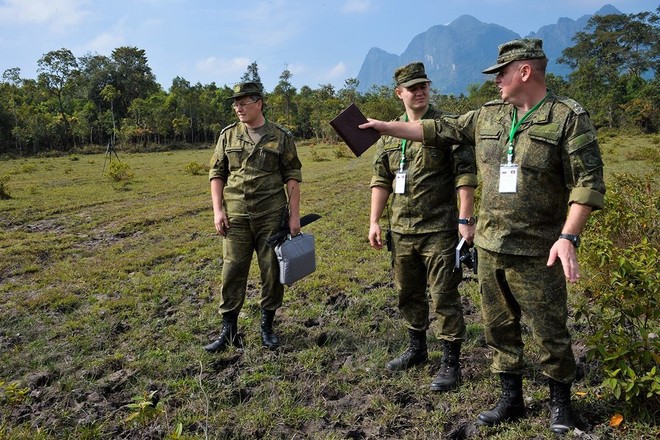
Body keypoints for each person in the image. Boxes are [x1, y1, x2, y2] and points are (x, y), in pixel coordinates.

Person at [360, 39, 605, 435]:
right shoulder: (488, 117)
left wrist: (568, 237)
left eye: (501, 74)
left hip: (538, 250)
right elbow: (440, 128)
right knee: (498, 328)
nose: (495, 82)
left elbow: (589, 183)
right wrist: (385, 127)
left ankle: (560, 404)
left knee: (549, 329)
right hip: (490, 245)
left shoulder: (567, 117)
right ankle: (511, 398)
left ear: (524, 71)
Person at [368, 62, 477, 392]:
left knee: (445, 296)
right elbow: (381, 178)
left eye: (424, 86)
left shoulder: (447, 126)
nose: (419, 91)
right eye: (412, 87)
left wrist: (465, 218)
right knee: (407, 294)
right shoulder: (388, 131)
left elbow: (465, 176)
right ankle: (416, 350)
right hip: (401, 230)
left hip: (440, 229)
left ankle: (450, 363)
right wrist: (374, 220)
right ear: (399, 93)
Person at [204, 81, 303, 353]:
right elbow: (217, 174)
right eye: (235, 103)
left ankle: (267, 326)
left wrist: (294, 216)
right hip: (236, 216)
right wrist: (217, 210)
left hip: (271, 216)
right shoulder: (228, 135)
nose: (238, 107)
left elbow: (292, 176)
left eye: (243, 102)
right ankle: (229, 331)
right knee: (232, 269)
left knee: (271, 270)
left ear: (258, 103)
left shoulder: (281, 136)